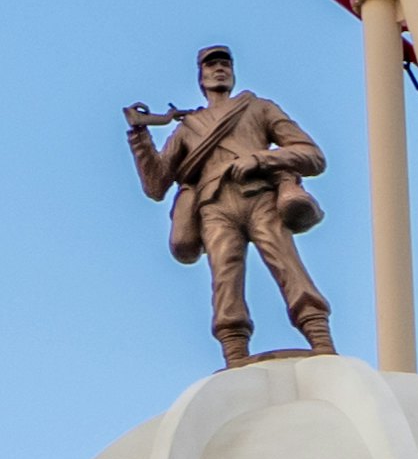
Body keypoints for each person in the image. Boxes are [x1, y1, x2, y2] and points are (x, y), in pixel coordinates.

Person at [128, 46, 335, 367]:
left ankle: (320, 338)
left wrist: (260, 158)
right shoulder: (188, 128)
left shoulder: (258, 108)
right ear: (201, 77)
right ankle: (234, 355)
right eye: (211, 67)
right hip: (214, 208)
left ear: (233, 72)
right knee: (224, 278)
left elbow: (312, 155)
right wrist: (139, 135)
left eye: (225, 64)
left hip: (260, 196)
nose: (219, 70)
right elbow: (156, 185)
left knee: (287, 263)